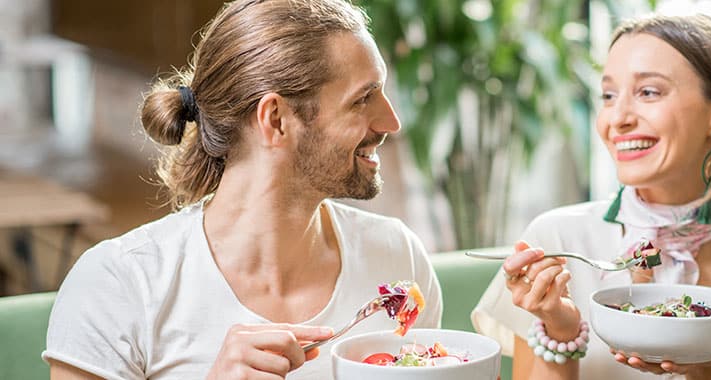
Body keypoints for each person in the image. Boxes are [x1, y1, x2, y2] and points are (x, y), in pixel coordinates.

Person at [42, 1, 442, 379]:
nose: (391, 122)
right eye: (363, 99)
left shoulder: (397, 257)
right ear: (276, 119)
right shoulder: (118, 285)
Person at [472, 14, 711, 380]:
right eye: (609, 95)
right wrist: (559, 331)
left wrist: (708, 366)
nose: (619, 118)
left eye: (648, 92)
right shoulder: (558, 241)